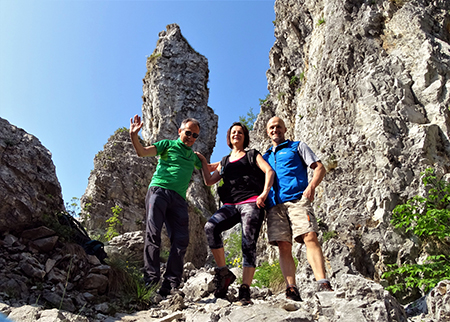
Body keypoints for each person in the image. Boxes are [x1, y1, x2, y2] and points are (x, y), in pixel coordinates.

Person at [196, 122, 274, 305]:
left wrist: (264, 193)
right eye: (233, 132)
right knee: (211, 226)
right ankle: (224, 272)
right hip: (230, 205)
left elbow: (269, 171)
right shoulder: (224, 161)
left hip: (251, 202)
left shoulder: (252, 154)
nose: (236, 134)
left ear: (245, 137)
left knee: (248, 242)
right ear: (229, 137)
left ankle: (245, 289)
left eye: (239, 132)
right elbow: (209, 181)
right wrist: (202, 163)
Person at [129, 115, 203, 296]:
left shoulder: (194, 157)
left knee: (181, 240)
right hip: (159, 191)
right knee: (153, 234)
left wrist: (231, 160)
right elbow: (142, 152)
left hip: (179, 199)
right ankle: (150, 281)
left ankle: (170, 285)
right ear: (180, 131)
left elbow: (210, 168)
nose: (191, 137)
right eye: (188, 133)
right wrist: (134, 136)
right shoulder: (167, 145)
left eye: (195, 136)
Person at [263, 116, 333, 302]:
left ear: (285, 129)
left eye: (278, 126)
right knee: (283, 245)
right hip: (274, 206)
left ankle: (323, 282)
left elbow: (319, 167)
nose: (275, 130)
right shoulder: (265, 156)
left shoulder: (297, 146)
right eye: (271, 127)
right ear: (267, 131)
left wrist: (311, 187)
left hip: (297, 200)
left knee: (310, 236)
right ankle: (291, 288)